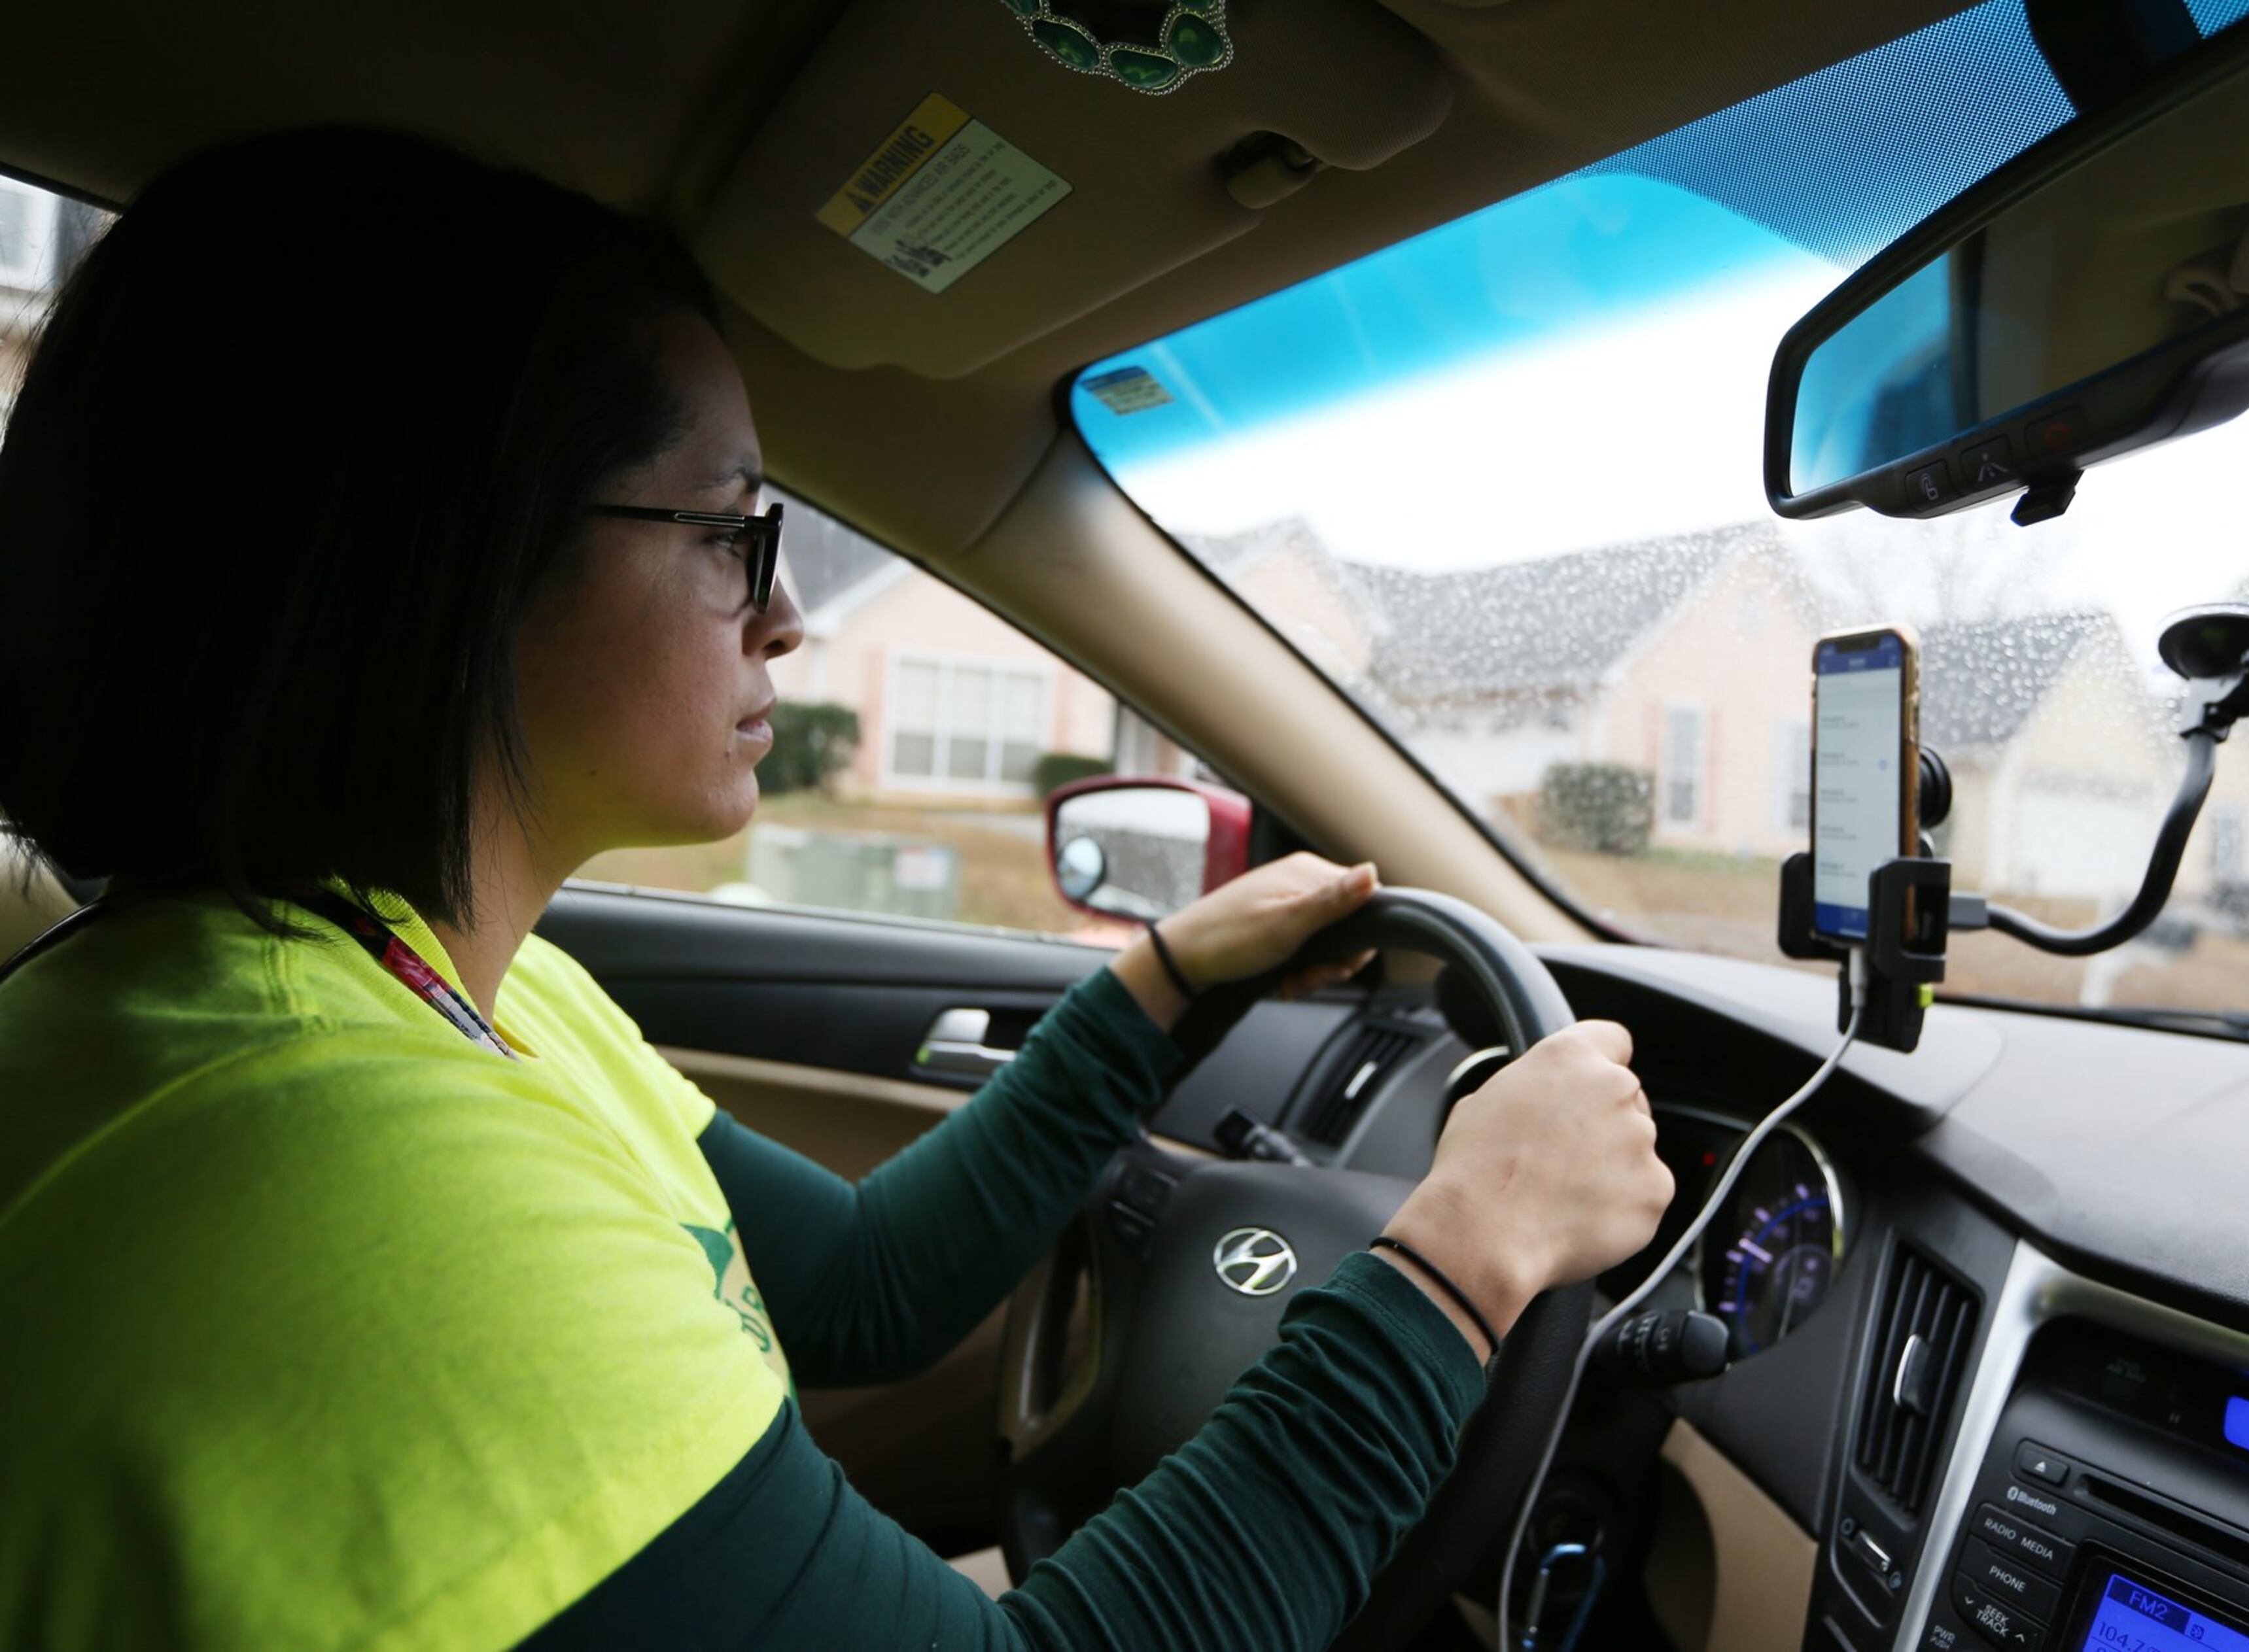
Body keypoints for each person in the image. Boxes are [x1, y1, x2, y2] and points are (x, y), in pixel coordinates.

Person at [0, 128, 1675, 1651]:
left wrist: (1159, 980)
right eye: (731, 531)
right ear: (448, 565)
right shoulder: (340, 1175)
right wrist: (1466, 1256)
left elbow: (871, 1286)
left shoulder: (417, 992)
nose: (786, 614)